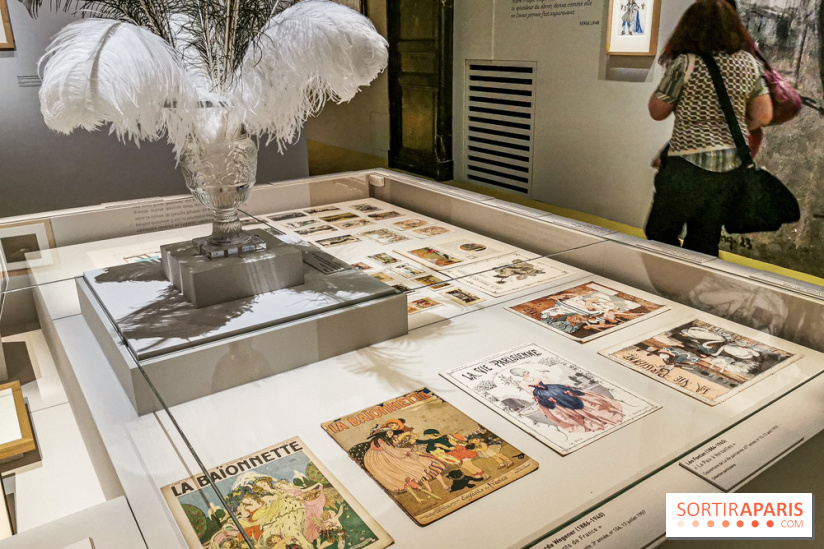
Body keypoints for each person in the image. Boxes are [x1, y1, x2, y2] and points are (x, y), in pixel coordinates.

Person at [644, 0, 772, 257]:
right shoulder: (749, 64)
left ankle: (667, 283)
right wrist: (734, 124)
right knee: (704, 241)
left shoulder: (686, 63)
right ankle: (688, 292)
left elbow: (657, 111)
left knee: (659, 233)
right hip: (727, 170)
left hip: (685, 169)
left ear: (690, 28)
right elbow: (764, 114)